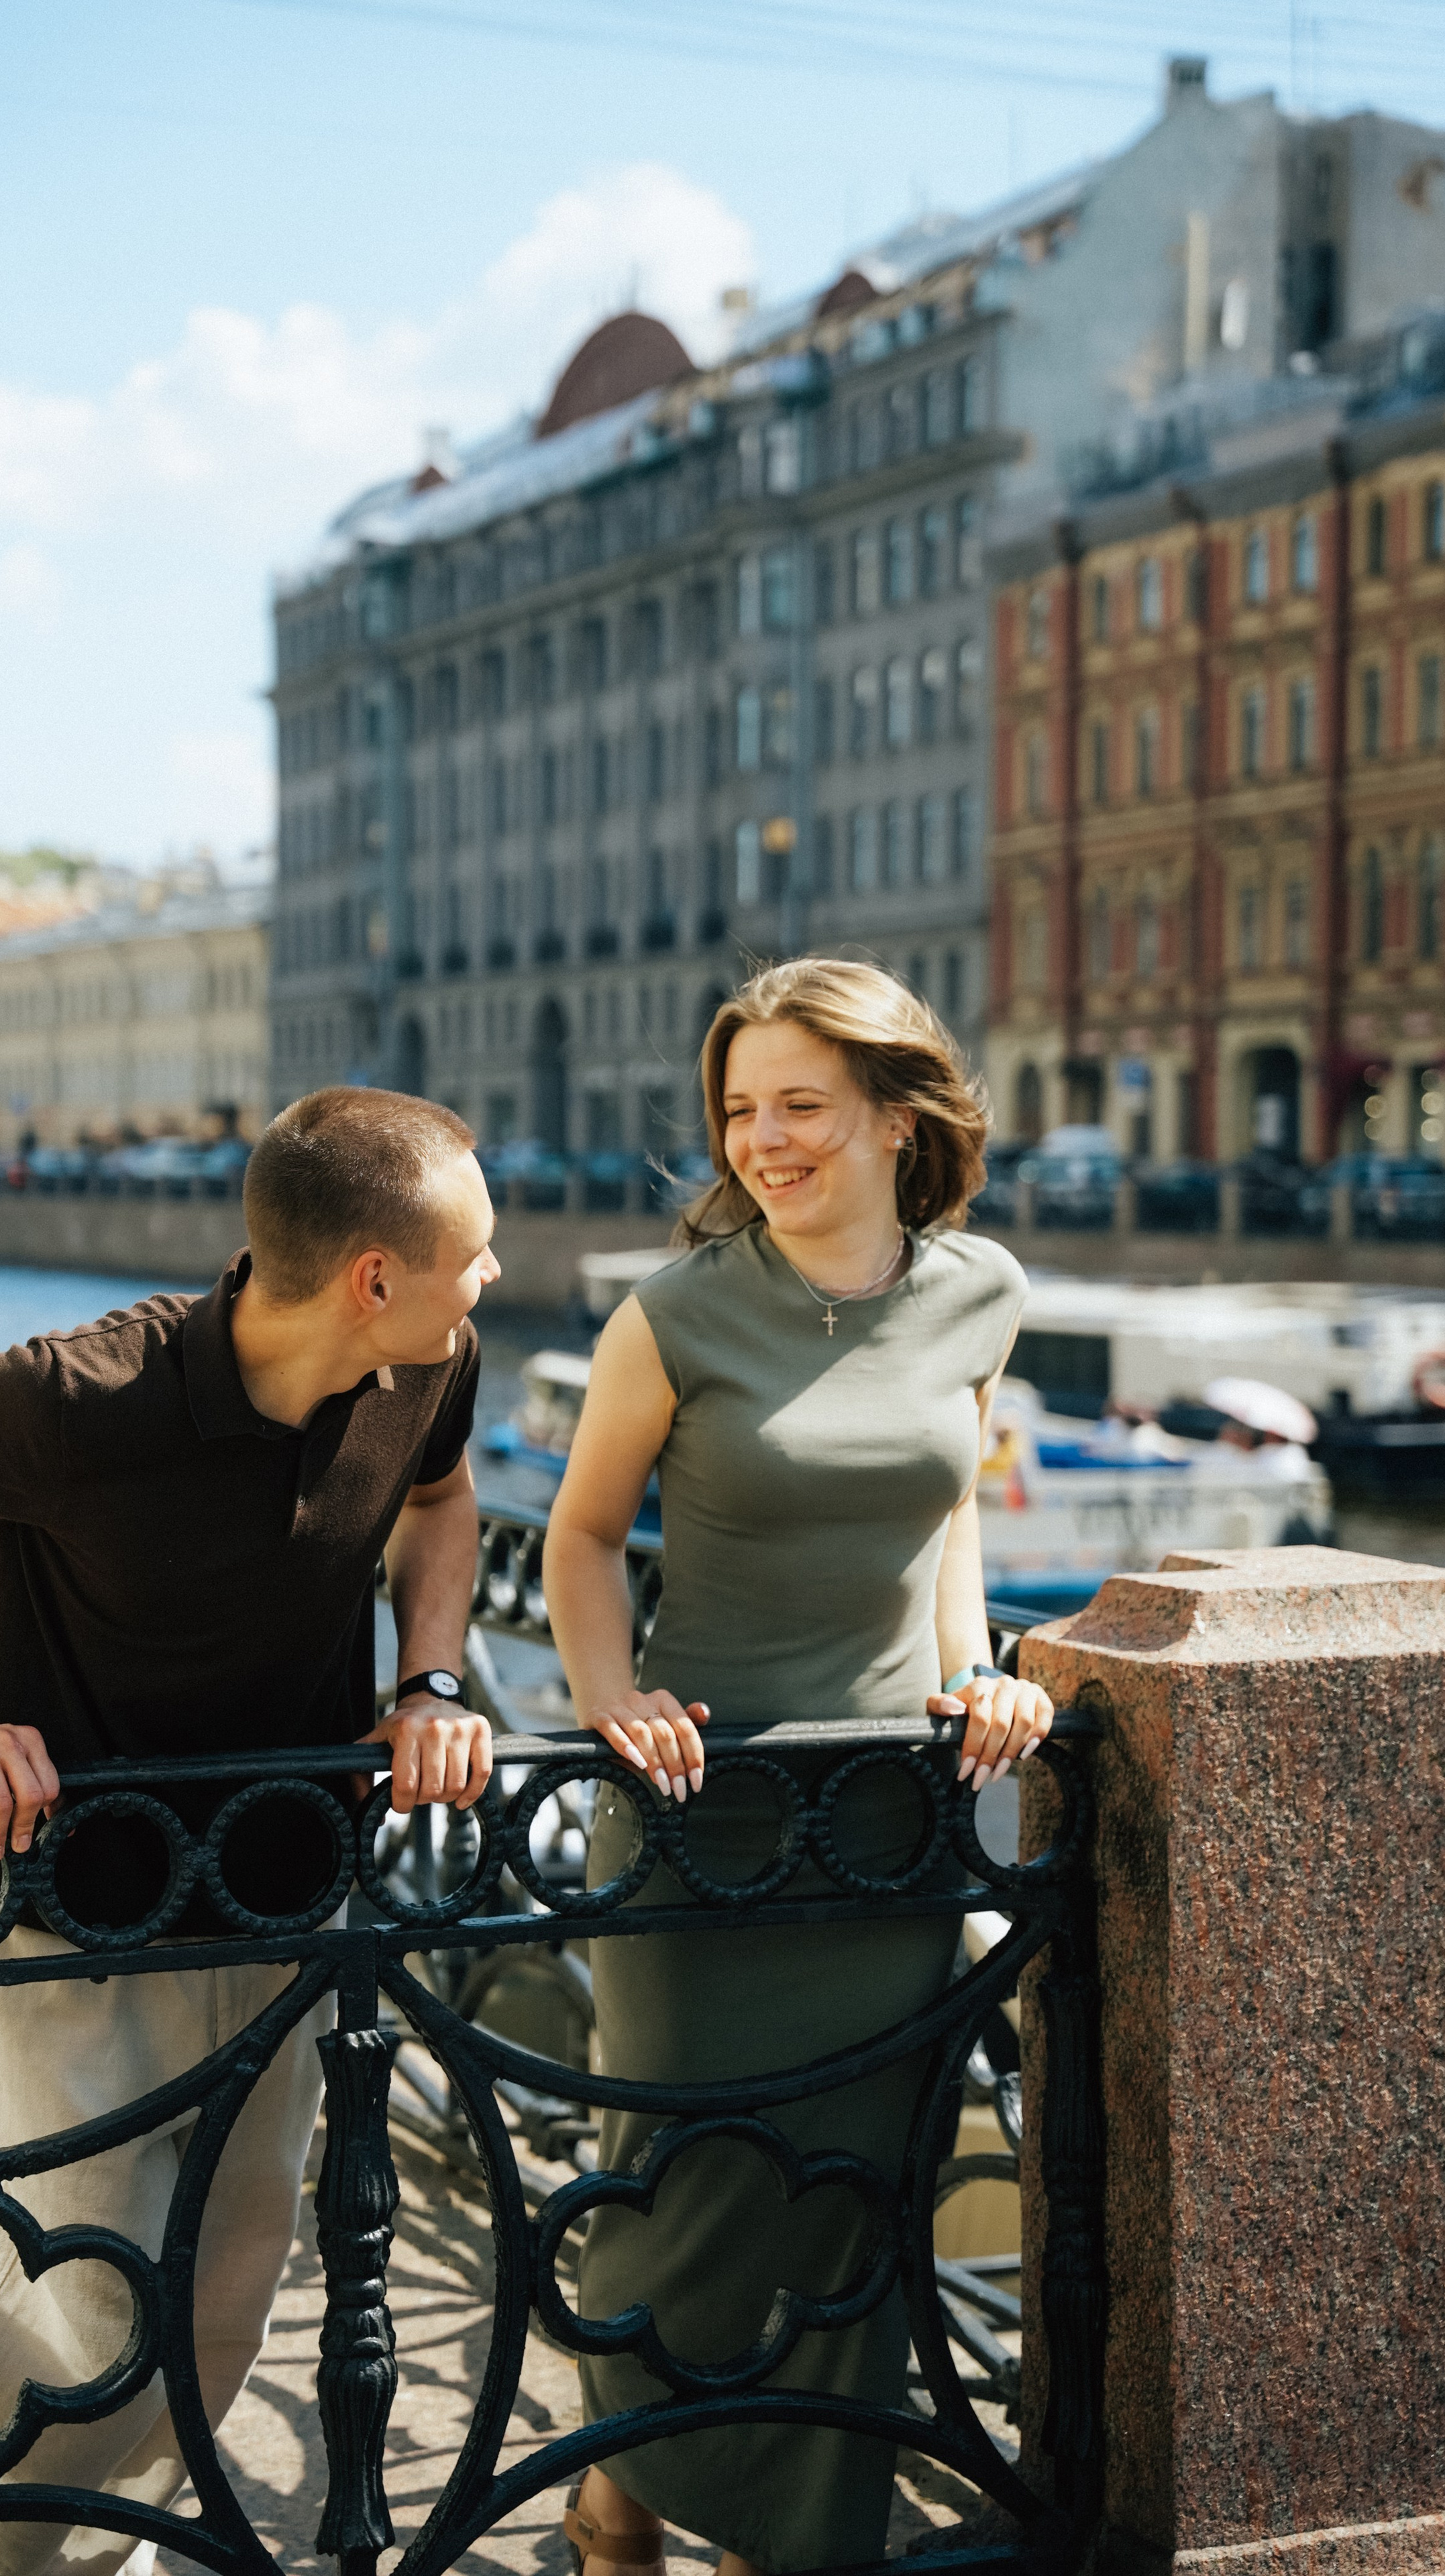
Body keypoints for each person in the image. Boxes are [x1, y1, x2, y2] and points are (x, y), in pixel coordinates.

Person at [0, 1087, 500, 2576]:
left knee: (229, 2297)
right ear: (374, 1277)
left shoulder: (426, 1361)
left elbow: (443, 1505)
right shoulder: (78, 1396)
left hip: (289, 1888)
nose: (493, 1275)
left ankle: (90, 2555)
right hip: (83, 1905)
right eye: (475, 1252)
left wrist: (431, 1679)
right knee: (83, 2303)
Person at [542, 959, 1055, 2576]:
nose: (761, 1140)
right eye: (739, 1110)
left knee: (844, 2203)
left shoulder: (980, 1292)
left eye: (800, 1107)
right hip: (696, 1816)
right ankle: (621, 2492)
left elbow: (948, 1513)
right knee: (680, 2189)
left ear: (898, 1118)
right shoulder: (671, 1313)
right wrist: (610, 1697)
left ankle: (786, 2542)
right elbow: (579, 1534)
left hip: (884, 1821)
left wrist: (973, 1673)